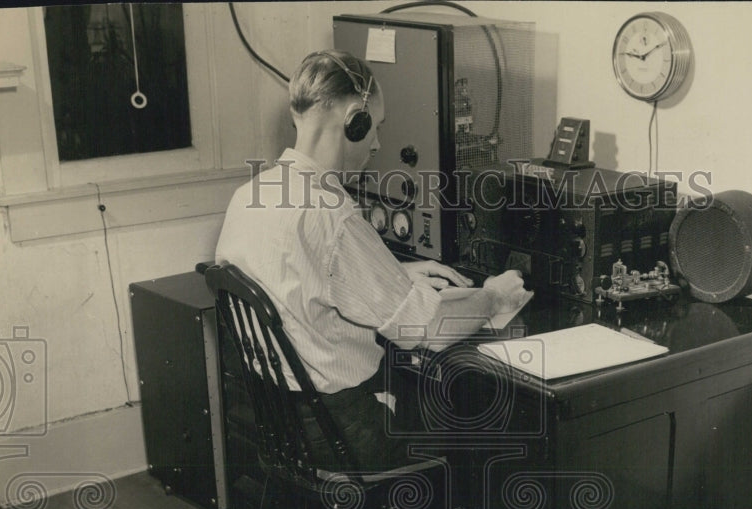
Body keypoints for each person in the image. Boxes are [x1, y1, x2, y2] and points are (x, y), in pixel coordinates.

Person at [214, 49, 528, 471]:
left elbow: (301, 276)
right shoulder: (332, 215)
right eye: (375, 127)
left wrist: (394, 272)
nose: (378, 143)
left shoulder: (250, 195)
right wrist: (494, 296)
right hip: (345, 433)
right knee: (491, 419)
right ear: (354, 121)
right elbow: (430, 329)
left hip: (281, 423)